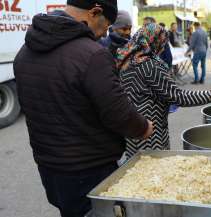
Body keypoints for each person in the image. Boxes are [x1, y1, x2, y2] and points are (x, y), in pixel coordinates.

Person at [12, 1, 153, 217]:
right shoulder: (92, 54)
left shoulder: (25, 51)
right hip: (89, 169)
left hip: (50, 168)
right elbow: (118, 112)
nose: (102, 35)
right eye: (105, 27)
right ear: (94, 12)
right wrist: (143, 127)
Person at [116, 23, 211, 159]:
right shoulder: (149, 65)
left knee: (136, 166)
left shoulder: (127, 60)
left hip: (133, 128)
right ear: (154, 41)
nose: (163, 47)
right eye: (163, 42)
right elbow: (178, 96)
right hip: (150, 132)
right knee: (153, 170)